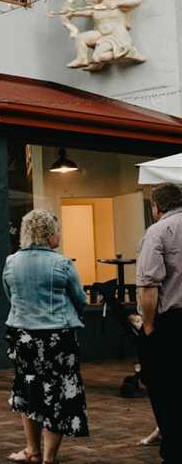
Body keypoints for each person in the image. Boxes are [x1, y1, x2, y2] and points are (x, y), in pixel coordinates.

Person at [3, 209, 88, 464]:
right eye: (57, 230)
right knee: (58, 393)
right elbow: (80, 299)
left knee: (29, 388)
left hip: (22, 334)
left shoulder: (11, 262)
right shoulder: (62, 263)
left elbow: (11, 297)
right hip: (57, 337)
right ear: (49, 234)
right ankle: (49, 456)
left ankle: (32, 449)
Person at [136, 183, 182, 463]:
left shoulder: (158, 231)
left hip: (171, 322)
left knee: (165, 388)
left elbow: (149, 286)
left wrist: (149, 327)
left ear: (156, 206)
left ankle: (174, 448)